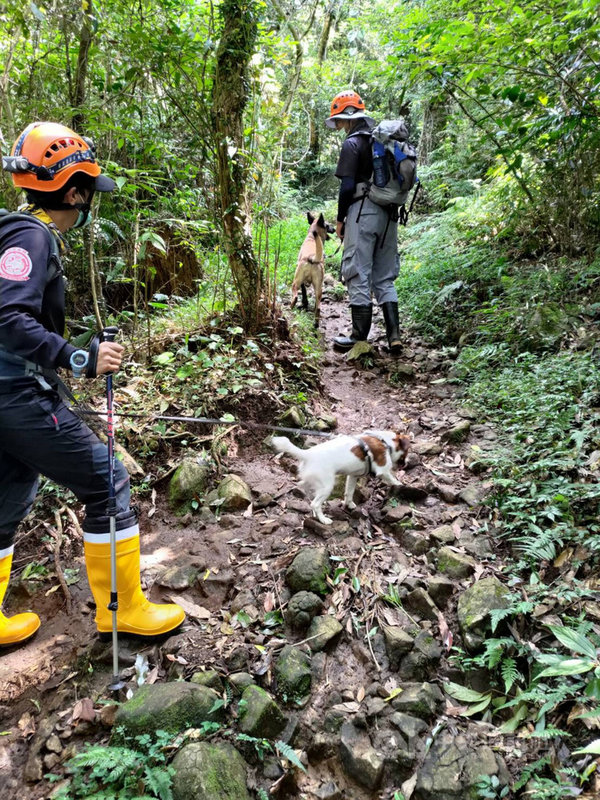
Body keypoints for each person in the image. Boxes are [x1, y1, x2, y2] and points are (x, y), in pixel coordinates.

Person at [0, 122, 185, 647]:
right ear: (74, 190)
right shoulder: (31, 236)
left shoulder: (11, 233)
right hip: (15, 396)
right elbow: (10, 319)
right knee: (108, 482)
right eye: (87, 193)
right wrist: (79, 357)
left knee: (8, 496)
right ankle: (122, 609)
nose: (88, 204)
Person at [325, 90, 402, 355]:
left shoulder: (352, 143)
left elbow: (347, 187)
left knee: (357, 270)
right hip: (389, 215)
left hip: (363, 212)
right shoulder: (379, 141)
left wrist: (340, 219)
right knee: (384, 276)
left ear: (347, 117)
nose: (338, 125)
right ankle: (394, 337)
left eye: (339, 120)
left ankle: (359, 335)